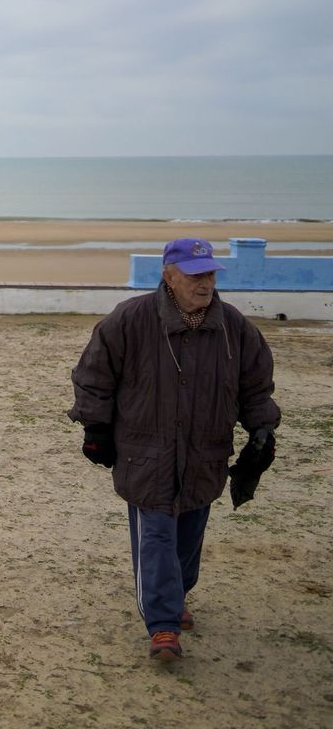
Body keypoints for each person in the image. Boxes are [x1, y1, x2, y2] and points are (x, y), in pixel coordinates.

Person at [68, 237, 280, 662]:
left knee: (189, 533)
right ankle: (163, 623)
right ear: (169, 274)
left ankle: (177, 592)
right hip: (146, 451)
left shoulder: (234, 327)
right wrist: (96, 427)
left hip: (206, 451)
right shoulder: (130, 319)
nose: (205, 283)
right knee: (157, 534)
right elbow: (94, 375)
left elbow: (255, 385)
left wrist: (262, 429)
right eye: (194, 274)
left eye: (210, 274)